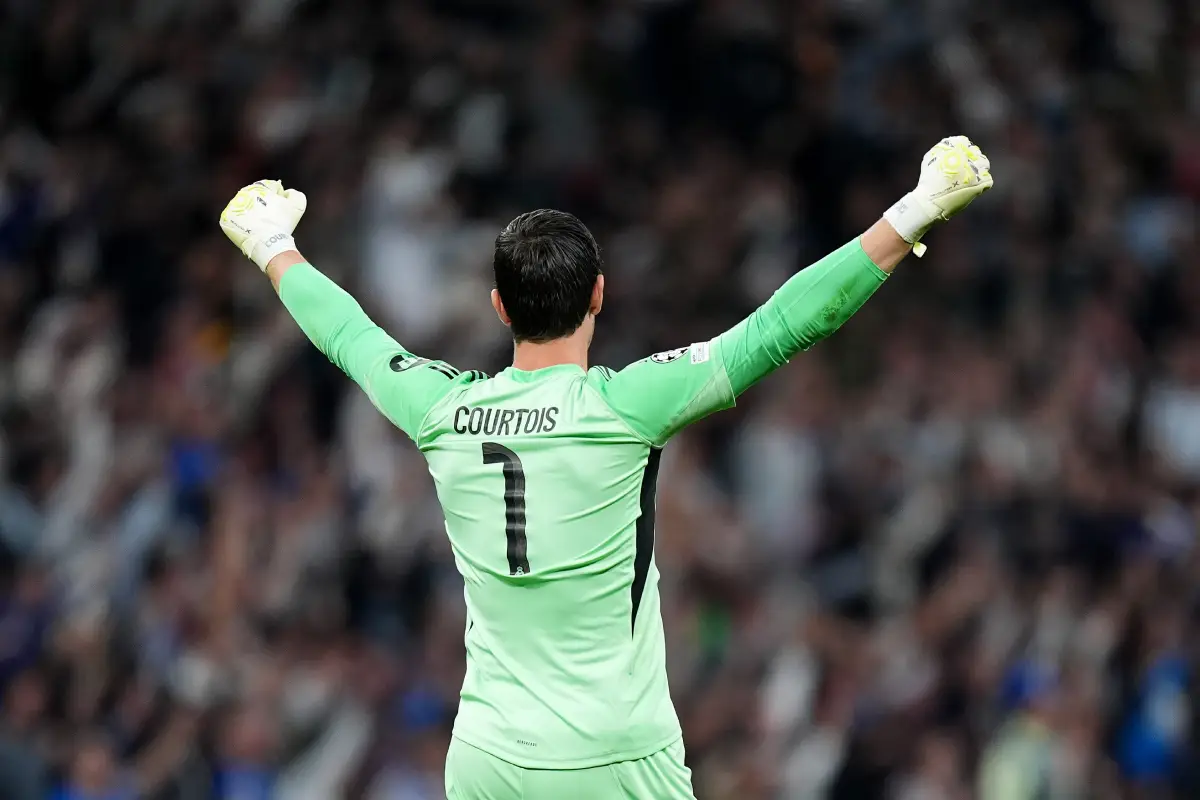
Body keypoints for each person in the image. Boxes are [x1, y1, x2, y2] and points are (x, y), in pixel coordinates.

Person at [219, 136, 993, 799]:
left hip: (488, 759)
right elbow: (784, 324)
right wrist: (917, 208)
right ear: (598, 295)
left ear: (498, 307)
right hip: (612, 757)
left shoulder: (440, 411)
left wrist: (272, 246)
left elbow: (348, 335)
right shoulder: (626, 408)